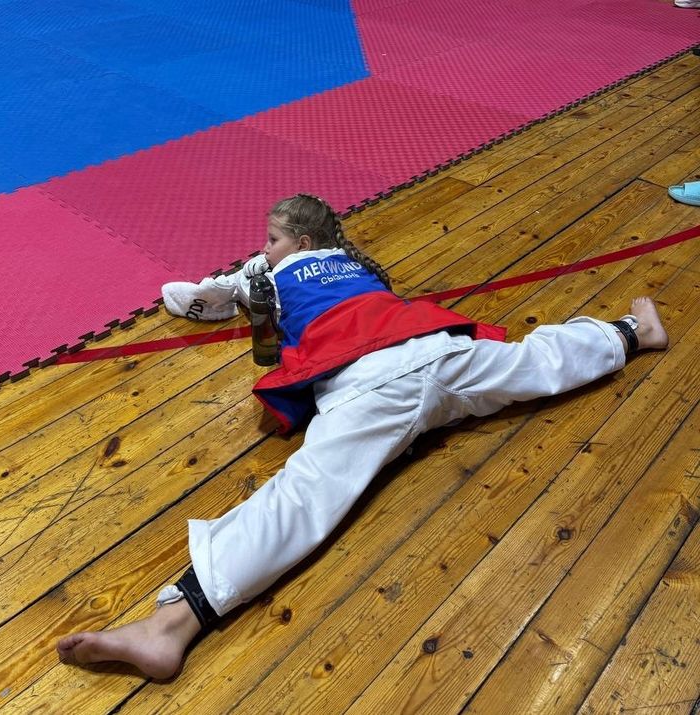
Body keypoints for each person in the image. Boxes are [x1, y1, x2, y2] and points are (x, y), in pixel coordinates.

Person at [57, 194, 668, 679]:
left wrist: (226, 289)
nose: (262, 248)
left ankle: (173, 623)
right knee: (534, 362)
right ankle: (631, 332)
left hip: (367, 383)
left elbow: (191, 299)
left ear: (300, 243)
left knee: (305, 495)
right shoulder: (359, 266)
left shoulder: (265, 274)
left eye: (271, 239)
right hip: (436, 351)